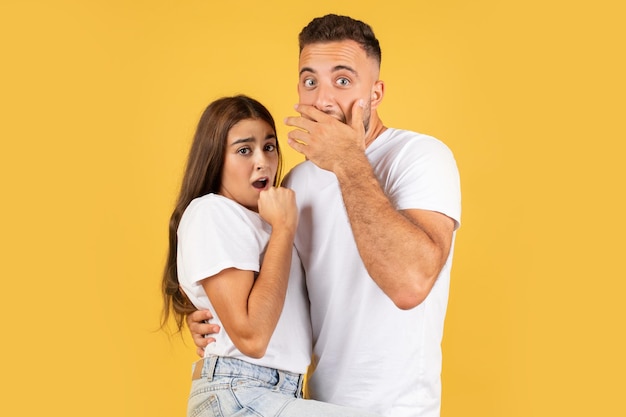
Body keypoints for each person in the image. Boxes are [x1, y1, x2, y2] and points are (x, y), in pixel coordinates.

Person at [188, 14, 461, 417]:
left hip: (399, 408)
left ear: (376, 92)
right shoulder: (294, 184)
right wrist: (215, 322)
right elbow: (269, 291)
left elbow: (410, 284)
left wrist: (348, 161)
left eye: (343, 81)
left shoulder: (419, 157)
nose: (323, 99)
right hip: (307, 401)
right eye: (310, 81)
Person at [161, 95, 381, 417]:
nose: (262, 161)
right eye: (244, 150)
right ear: (214, 159)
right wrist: (283, 230)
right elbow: (252, 338)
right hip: (240, 393)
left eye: (269, 146)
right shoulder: (212, 212)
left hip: (279, 393)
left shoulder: (267, 221)